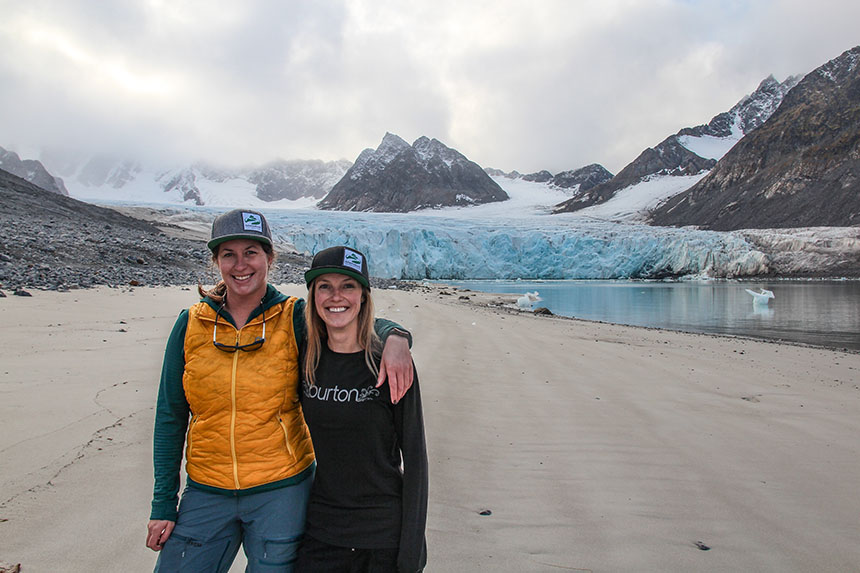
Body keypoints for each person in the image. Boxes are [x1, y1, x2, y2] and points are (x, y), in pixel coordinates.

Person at [146, 210, 414, 572]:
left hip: (281, 492)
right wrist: (163, 504)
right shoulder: (191, 323)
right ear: (216, 262)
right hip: (207, 489)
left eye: (252, 252)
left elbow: (344, 317)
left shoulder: (293, 319)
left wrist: (396, 335)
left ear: (269, 258)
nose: (241, 264)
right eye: (229, 254)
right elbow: (170, 416)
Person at [296, 246, 428, 573]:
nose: (335, 296)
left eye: (348, 286)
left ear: (364, 297)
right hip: (322, 532)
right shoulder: (304, 358)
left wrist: (412, 549)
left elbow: (415, 458)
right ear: (313, 296)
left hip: (382, 536)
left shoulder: (391, 366)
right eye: (324, 286)